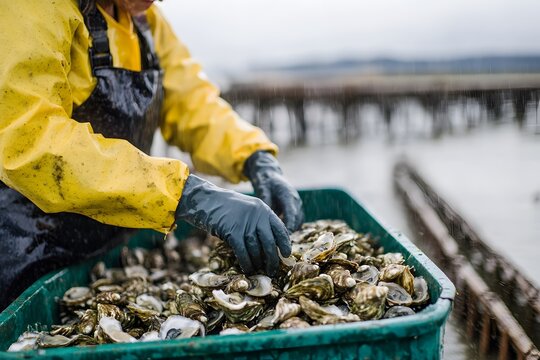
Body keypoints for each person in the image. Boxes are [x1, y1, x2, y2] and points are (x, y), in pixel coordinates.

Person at [0, 0, 303, 311]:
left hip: (111, 257)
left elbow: (191, 102)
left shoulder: (146, 20)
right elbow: (30, 140)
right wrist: (188, 195)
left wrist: (256, 157)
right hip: (27, 257)